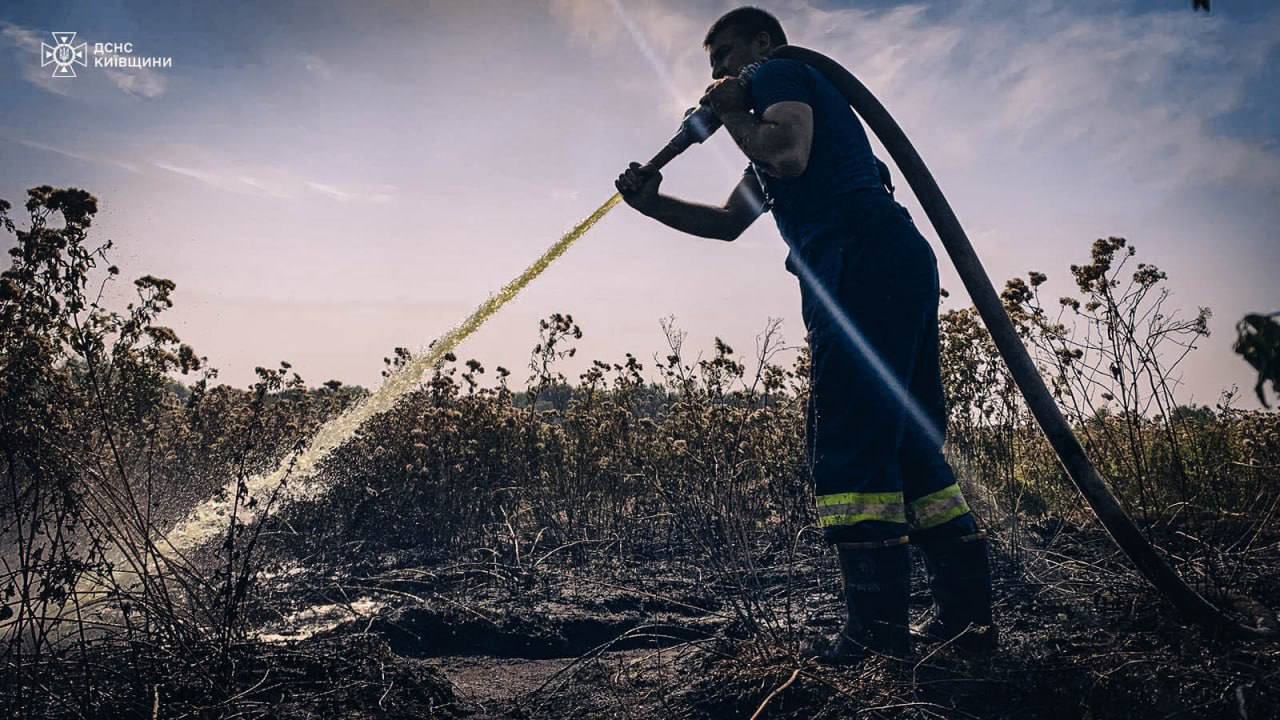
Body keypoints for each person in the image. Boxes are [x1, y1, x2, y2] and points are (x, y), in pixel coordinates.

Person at [614, 6, 995, 664]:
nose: (719, 77)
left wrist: (734, 105)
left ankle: (876, 641)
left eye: (726, 58)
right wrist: (651, 204)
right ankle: (968, 626)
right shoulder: (771, 112)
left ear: (762, 43)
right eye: (714, 72)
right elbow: (728, 223)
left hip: (859, 261)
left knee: (849, 442)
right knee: (905, 446)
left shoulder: (781, 73)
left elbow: (785, 155)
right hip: (882, 262)